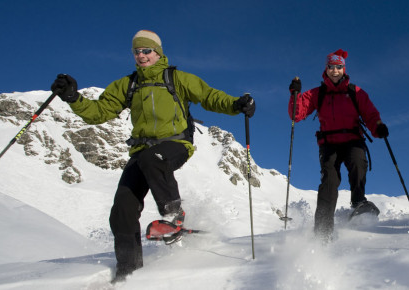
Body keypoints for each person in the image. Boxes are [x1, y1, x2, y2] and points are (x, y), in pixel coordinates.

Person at [50, 30, 256, 282]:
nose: (141, 55)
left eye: (146, 50)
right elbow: (99, 112)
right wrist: (73, 97)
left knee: (153, 158)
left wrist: (236, 104)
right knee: (122, 210)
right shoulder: (128, 85)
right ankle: (128, 272)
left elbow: (208, 96)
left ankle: (173, 215)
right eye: (137, 51)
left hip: (175, 144)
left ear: (158, 52)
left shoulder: (176, 78)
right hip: (141, 151)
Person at [288, 49, 389, 241]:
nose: (335, 71)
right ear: (326, 70)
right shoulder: (318, 94)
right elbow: (296, 114)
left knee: (358, 164)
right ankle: (323, 230)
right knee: (329, 181)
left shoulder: (355, 92)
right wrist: (295, 94)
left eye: (339, 67)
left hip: (352, 140)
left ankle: (359, 202)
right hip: (329, 144)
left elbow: (370, 114)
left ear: (344, 68)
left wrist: (378, 127)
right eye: (331, 67)